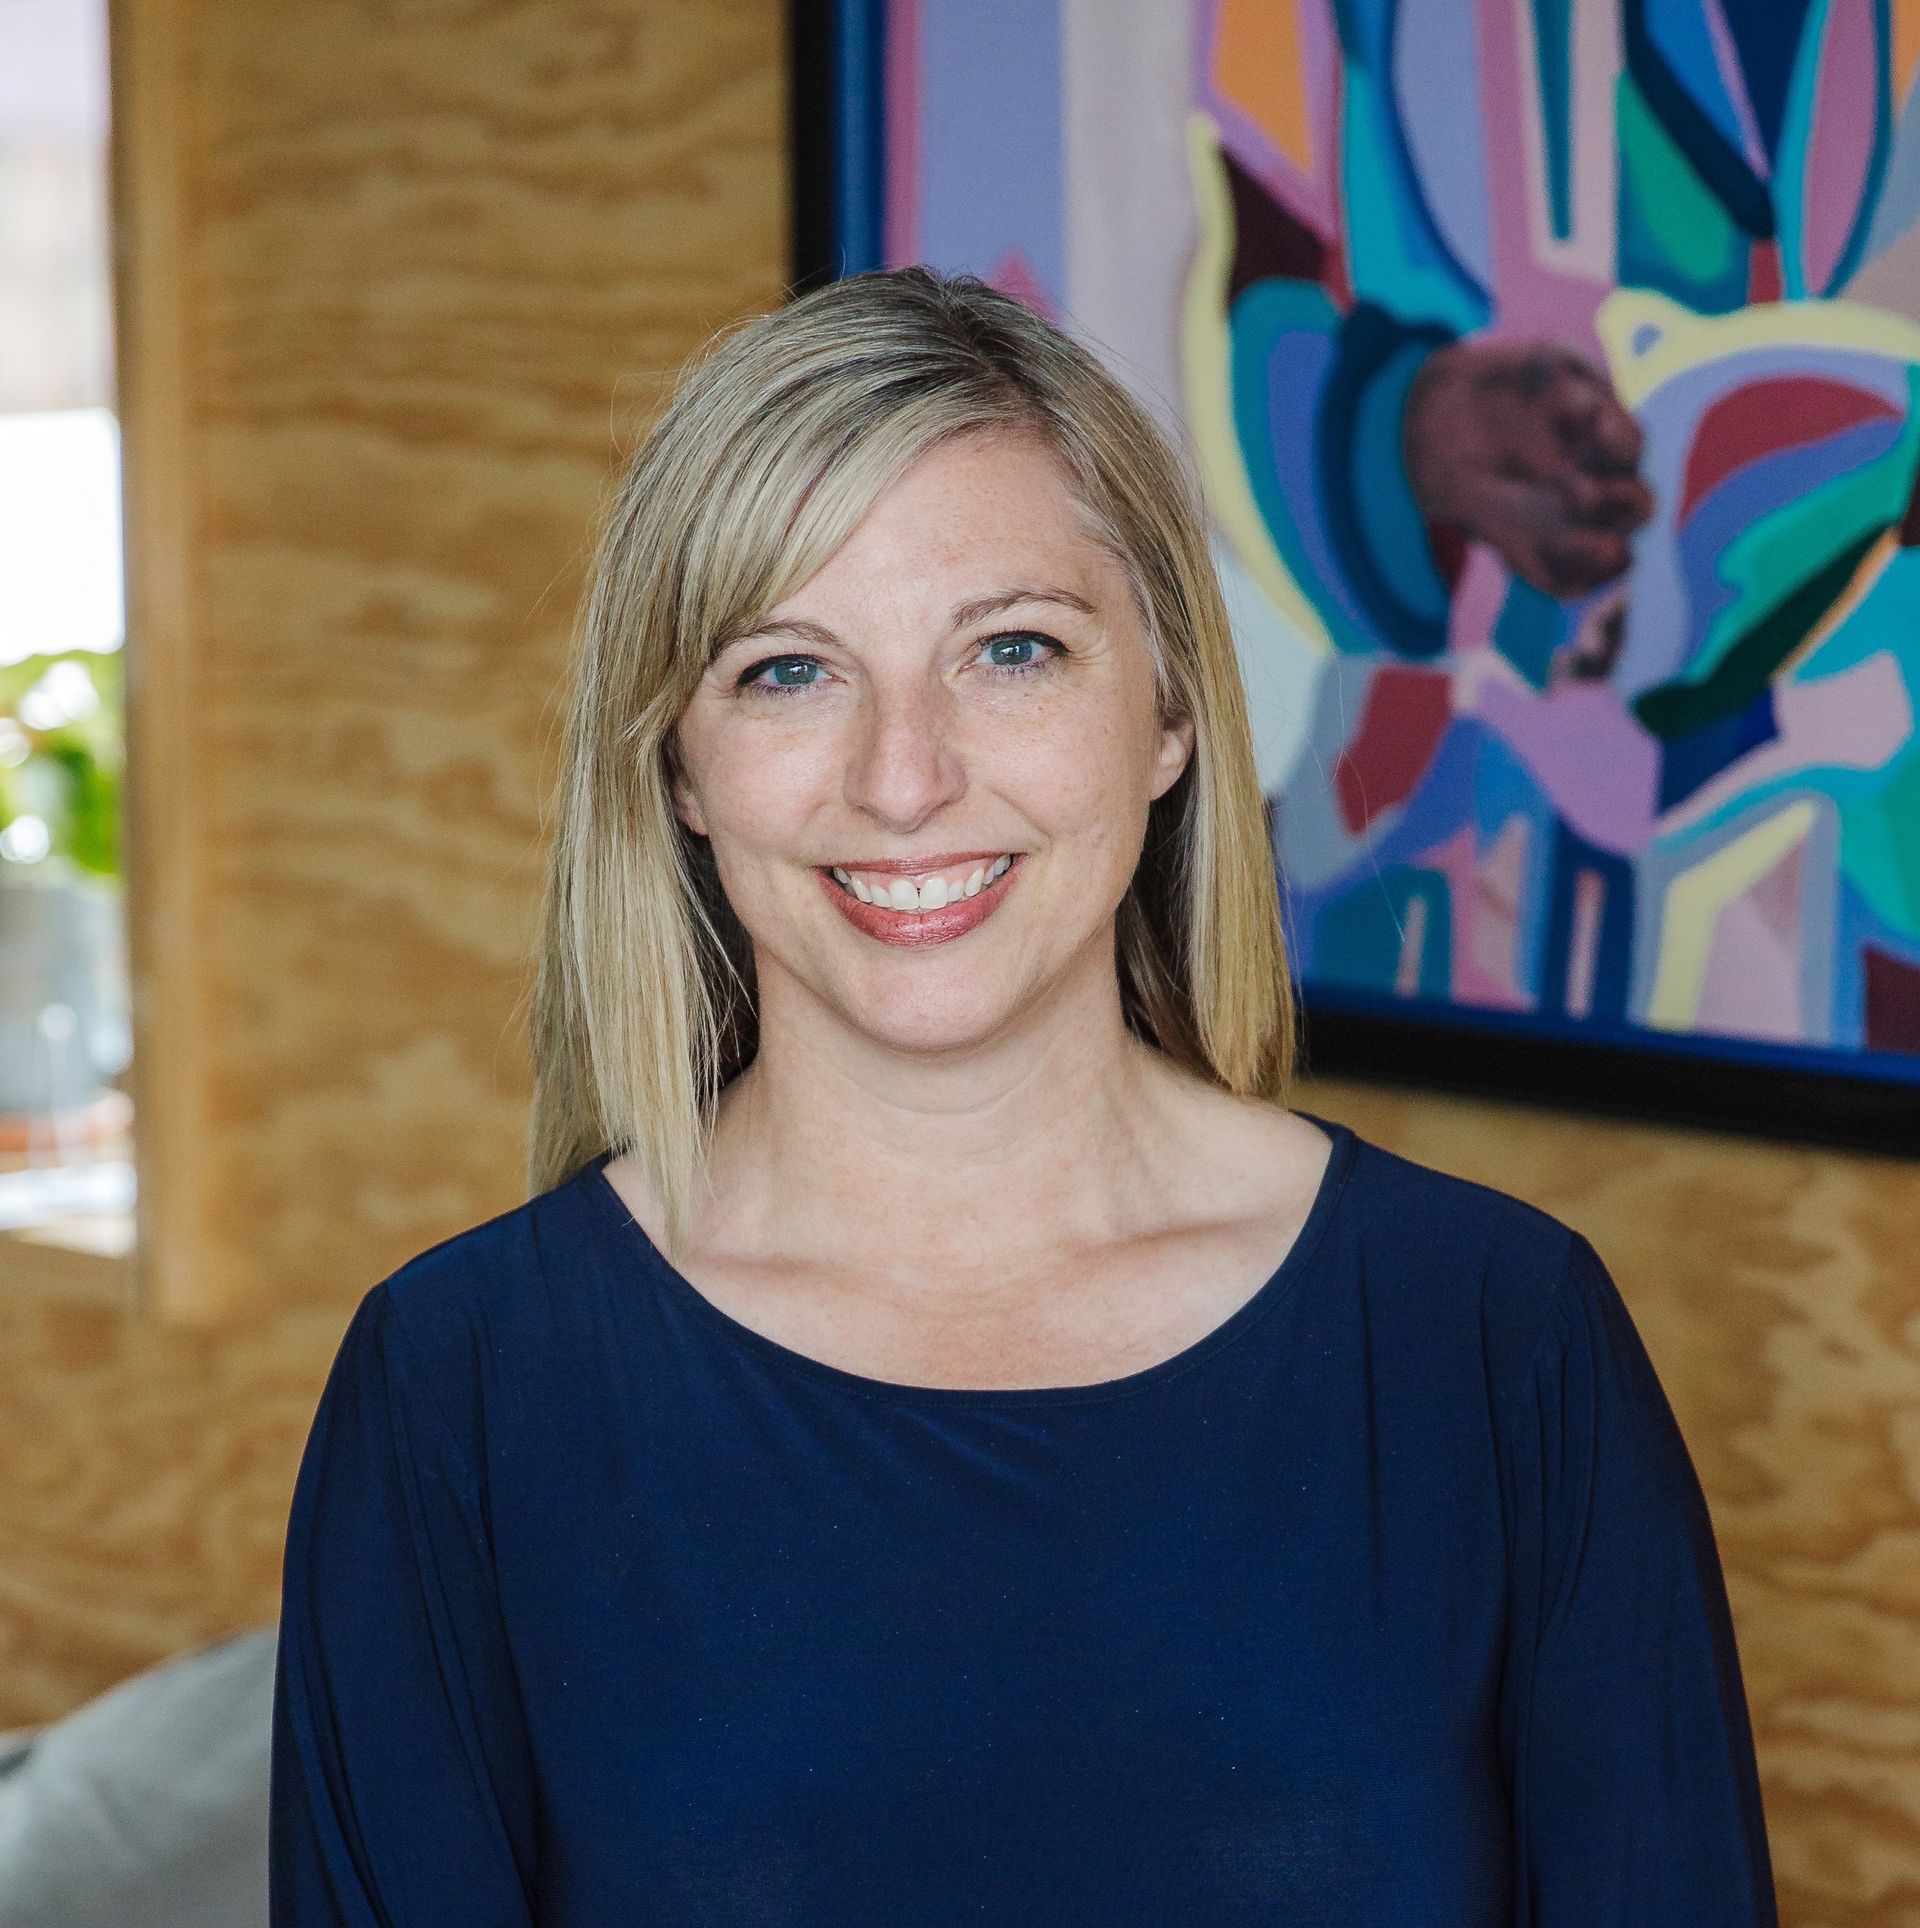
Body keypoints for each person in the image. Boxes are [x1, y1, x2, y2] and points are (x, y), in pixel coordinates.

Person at [268, 265, 1779, 1924]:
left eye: (1011, 649)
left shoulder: (1494, 1340)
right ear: (680, 766)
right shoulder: (465, 1393)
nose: (904, 779)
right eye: (789, 670)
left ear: (1170, 714)